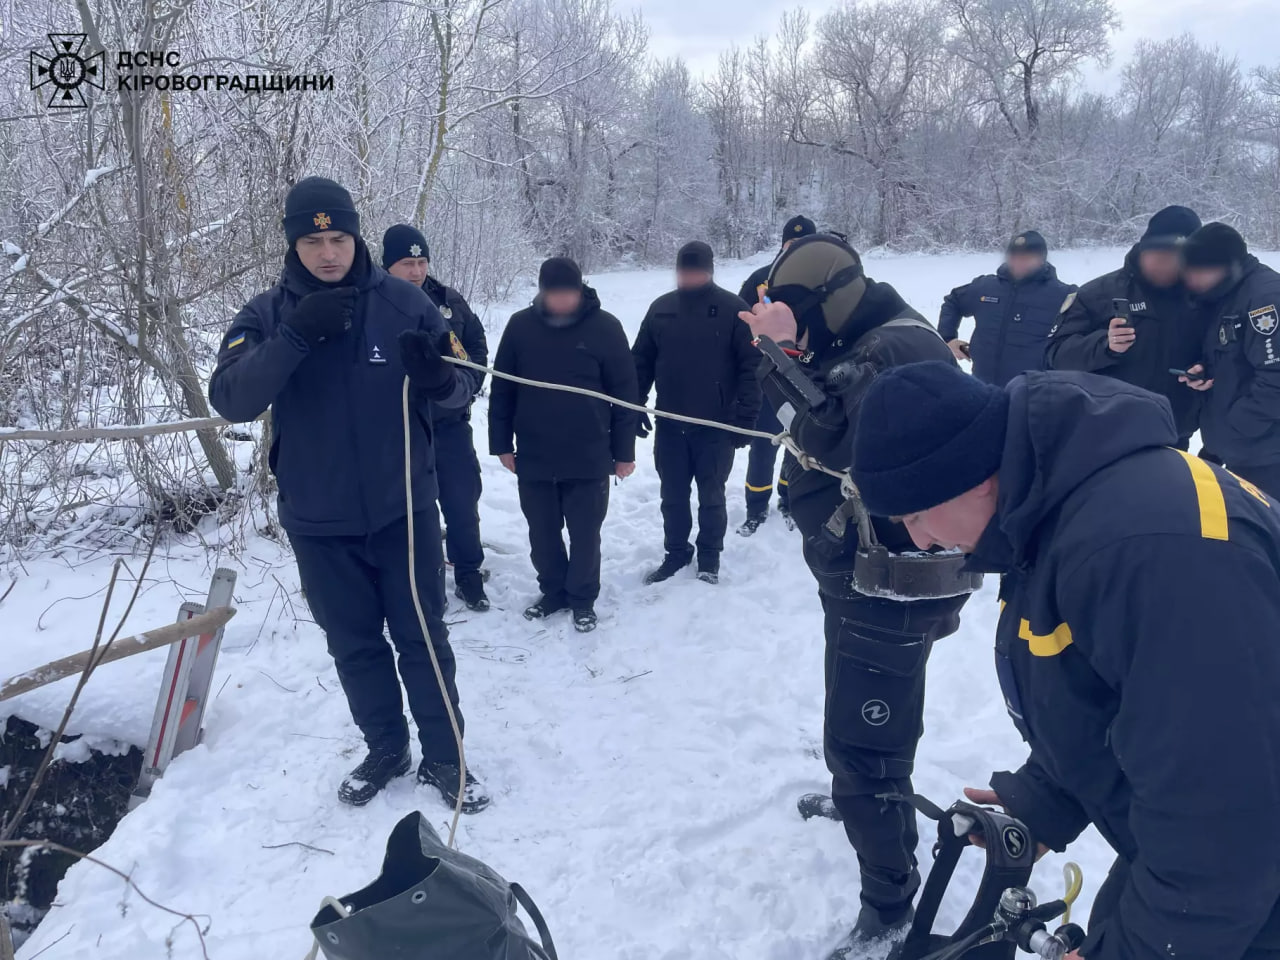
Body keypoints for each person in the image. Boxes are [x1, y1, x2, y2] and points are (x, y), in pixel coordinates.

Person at [851, 360, 1280, 960]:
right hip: (1207, 859)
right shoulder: (1060, 509)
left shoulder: (1150, 554)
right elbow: (1123, 697)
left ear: (970, 478)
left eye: (915, 516)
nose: (920, 541)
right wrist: (1046, 799)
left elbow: (1225, 824)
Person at [209, 177, 488, 812]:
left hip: (403, 513)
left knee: (422, 638)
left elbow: (461, 391)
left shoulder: (405, 303)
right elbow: (230, 401)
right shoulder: (266, 314)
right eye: (313, 240)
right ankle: (386, 747)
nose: (328, 252)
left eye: (339, 237)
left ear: (357, 235)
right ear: (293, 243)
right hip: (318, 519)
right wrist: (295, 339)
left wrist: (440, 377)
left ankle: (448, 757)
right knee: (354, 643)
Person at [738, 234, 973, 958]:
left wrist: (781, 351)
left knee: (861, 743)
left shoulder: (896, 350)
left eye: (797, 315)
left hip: (892, 589)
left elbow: (831, 433)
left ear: (828, 304)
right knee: (874, 725)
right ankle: (871, 813)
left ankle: (891, 899)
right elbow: (817, 408)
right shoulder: (867, 338)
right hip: (864, 579)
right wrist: (787, 347)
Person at [488, 257, 638, 633]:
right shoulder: (521, 327)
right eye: (552, 293)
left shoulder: (605, 328)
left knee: (586, 533)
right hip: (535, 453)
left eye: (567, 293)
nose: (560, 301)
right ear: (541, 292)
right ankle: (553, 590)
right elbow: (502, 389)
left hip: (588, 453)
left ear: (580, 289)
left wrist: (624, 453)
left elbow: (625, 394)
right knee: (542, 531)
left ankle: (583, 598)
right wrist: (501, 443)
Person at [634, 241, 761, 584]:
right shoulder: (661, 309)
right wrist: (634, 405)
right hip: (671, 423)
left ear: (709, 271)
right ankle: (676, 552)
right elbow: (640, 362)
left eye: (696, 270)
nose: (689, 276)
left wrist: (746, 419)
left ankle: (709, 557)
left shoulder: (733, 310)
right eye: (684, 270)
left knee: (712, 495)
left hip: (716, 424)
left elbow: (752, 369)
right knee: (672, 495)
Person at [382, 224, 491, 612]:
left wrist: (469, 383)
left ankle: (468, 575)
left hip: (449, 425)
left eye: (421, 261)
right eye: (407, 263)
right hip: (399, 432)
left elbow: (475, 347)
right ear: (387, 265)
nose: (416, 271)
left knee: (462, 501)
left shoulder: (448, 302)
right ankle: (418, 583)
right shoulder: (373, 304)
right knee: (409, 511)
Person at [1046, 205, 1205, 446]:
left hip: (1174, 432)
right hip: (1105, 431)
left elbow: (1223, 355)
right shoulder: (1098, 293)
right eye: (1158, 254)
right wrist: (1105, 346)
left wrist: (1205, 370)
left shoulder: (1204, 298)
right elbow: (1055, 356)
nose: (1165, 264)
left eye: (1176, 258)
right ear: (1142, 248)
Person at [1177, 223, 1280, 499]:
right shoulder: (1224, 294)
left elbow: (1276, 379)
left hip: (1264, 456)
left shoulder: (1265, 300)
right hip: (1238, 448)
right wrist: (1205, 370)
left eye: (1199, 271)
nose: (1191, 279)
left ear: (1226, 265)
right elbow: (1234, 356)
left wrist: (1237, 427)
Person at [737, 215, 817, 535]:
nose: (795, 249)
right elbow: (739, 324)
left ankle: (788, 499)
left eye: (802, 244)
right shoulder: (760, 280)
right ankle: (756, 508)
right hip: (768, 379)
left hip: (808, 378)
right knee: (764, 446)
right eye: (790, 244)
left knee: (799, 446)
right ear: (782, 245)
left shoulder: (822, 282)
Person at [939, 230, 1076, 386]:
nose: (1018, 262)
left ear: (1041, 259)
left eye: (1026, 257)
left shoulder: (1063, 295)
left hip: (1033, 395)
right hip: (983, 390)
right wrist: (947, 339)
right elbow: (954, 301)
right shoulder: (986, 287)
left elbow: (1082, 338)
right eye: (1014, 256)